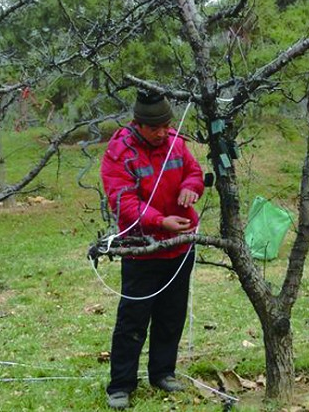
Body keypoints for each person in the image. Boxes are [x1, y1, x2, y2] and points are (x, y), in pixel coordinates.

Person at [100, 90, 204, 409]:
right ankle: (121, 386)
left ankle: (163, 372)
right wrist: (161, 222)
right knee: (133, 319)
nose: (163, 133)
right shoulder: (119, 152)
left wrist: (190, 188)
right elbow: (124, 203)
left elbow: (194, 172)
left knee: (171, 314)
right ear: (139, 124)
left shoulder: (174, 141)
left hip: (180, 247)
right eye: (156, 128)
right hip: (141, 249)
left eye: (166, 126)